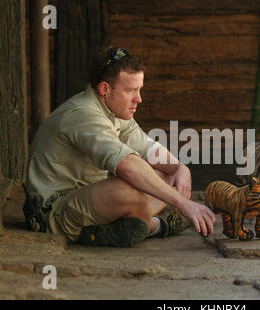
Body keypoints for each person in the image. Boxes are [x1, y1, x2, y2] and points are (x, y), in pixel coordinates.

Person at [23, 47, 216, 247]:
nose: (139, 99)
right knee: (131, 189)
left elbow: (149, 149)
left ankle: (117, 227)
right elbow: (127, 165)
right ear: (105, 89)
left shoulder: (114, 110)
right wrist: (183, 204)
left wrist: (179, 168)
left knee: (165, 175)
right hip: (54, 214)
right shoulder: (83, 114)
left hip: (89, 201)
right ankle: (158, 225)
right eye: (131, 90)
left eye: (139, 90)